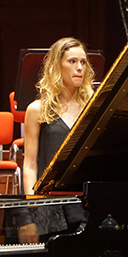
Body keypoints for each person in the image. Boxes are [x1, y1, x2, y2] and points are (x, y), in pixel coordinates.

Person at [8, 37, 94, 243]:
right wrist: (30, 212)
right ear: (57, 66)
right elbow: (29, 165)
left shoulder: (93, 106)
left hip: (85, 201)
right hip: (51, 202)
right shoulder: (37, 109)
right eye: (72, 62)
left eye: (83, 62)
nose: (79, 68)